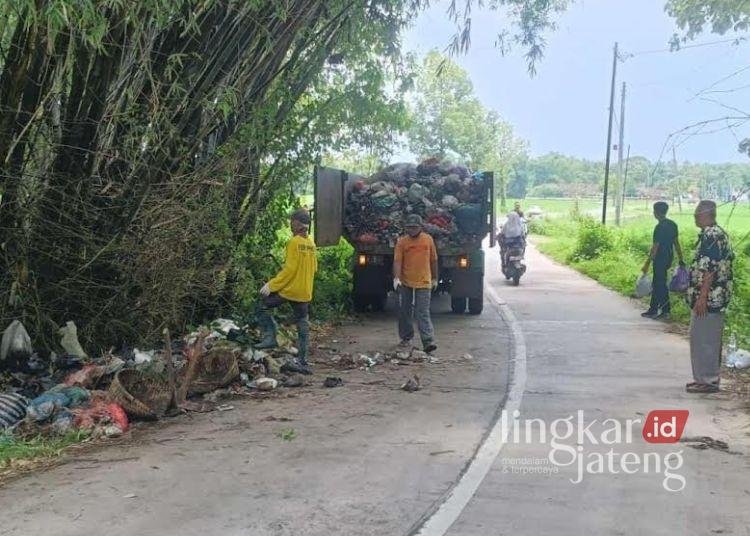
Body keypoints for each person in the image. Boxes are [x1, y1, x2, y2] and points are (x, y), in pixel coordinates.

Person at [255, 208, 317, 374]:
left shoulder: (294, 242)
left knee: (261, 305)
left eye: (291, 222)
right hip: (305, 292)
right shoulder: (311, 244)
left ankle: (270, 337)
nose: (290, 225)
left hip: (290, 290)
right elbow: (314, 269)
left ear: (297, 223)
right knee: (303, 326)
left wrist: (272, 285)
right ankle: (303, 362)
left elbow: (289, 270)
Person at [685, 200, 734, 394]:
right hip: (710, 296)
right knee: (700, 337)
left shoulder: (712, 235)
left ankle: (708, 380)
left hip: (711, 297)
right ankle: (703, 378)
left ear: (706, 214)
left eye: (697, 213)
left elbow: (710, 269)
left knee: (705, 338)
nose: (695, 217)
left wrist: (703, 296)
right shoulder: (712, 234)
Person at [393, 214, 438, 353]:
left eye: (414, 227)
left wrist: (435, 278)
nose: (412, 230)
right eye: (409, 227)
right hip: (406, 281)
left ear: (420, 227)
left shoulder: (428, 240)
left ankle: (428, 341)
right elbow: (397, 261)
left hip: (424, 281)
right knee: (404, 310)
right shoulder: (402, 242)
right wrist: (397, 278)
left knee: (422, 312)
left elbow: (434, 260)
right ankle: (406, 338)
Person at [641, 201, 684, 319]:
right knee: (657, 282)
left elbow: (655, 247)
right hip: (669, 257)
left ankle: (665, 310)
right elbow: (676, 243)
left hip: (659, 258)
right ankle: (653, 309)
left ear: (656, 212)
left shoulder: (659, 227)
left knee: (660, 284)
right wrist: (681, 258)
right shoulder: (672, 224)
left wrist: (647, 263)